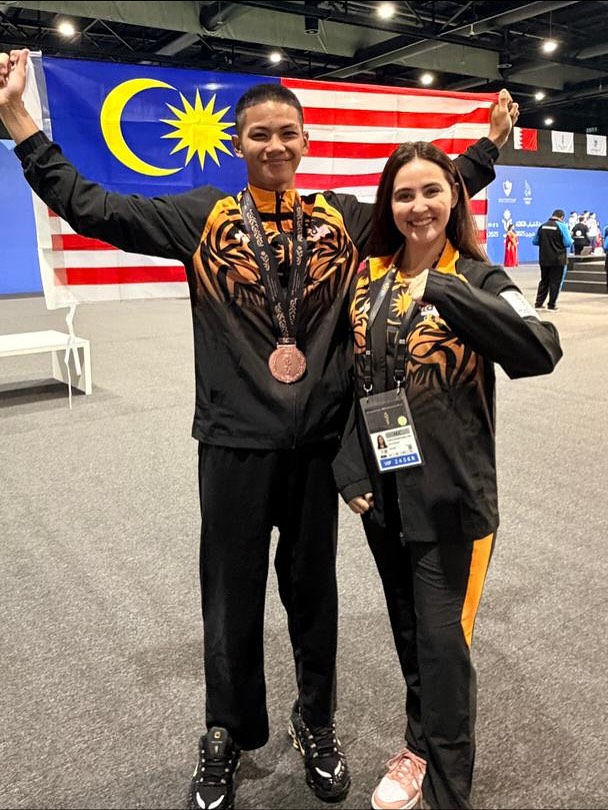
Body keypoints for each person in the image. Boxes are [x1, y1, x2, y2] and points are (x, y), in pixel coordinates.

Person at [0, 48, 518, 810]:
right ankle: (227, 729)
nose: (275, 145)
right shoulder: (202, 216)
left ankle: (316, 721)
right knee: (230, 597)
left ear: (305, 141)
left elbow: (425, 198)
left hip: (318, 452)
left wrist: (491, 145)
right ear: (238, 143)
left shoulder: (341, 220)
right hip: (233, 445)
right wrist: (19, 120)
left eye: (287, 133)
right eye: (259, 134)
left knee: (314, 600)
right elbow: (93, 206)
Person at [333, 141, 562, 810]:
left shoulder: (481, 277)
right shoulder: (370, 279)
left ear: (454, 196)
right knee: (409, 632)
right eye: (403, 195)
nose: (418, 206)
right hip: (384, 494)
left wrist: (443, 289)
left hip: (452, 498)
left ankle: (447, 791)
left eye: (431, 191)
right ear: (389, 205)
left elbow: (540, 349)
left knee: (442, 646)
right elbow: (353, 381)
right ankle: (417, 747)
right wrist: (349, 467)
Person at [533, 209, 573, 311]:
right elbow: (568, 243)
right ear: (562, 217)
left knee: (544, 281)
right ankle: (551, 305)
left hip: (544, 258)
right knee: (555, 282)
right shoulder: (562, 226)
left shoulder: (542, 226)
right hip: (558, 259)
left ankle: (538, 304)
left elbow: (535, 241)